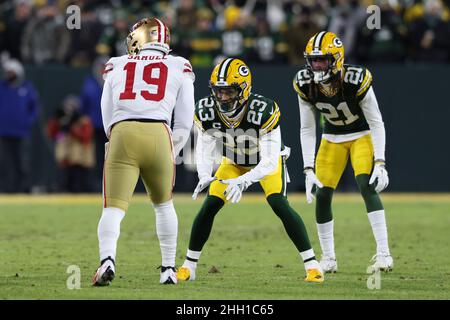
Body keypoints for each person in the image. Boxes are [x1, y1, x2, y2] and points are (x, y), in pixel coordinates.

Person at [177, 58, 324, 283]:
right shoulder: (206, 110)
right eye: (219, 92)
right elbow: (205, 146)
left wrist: (243, 182)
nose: (223, 97)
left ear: (244, 90)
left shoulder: (263, 110)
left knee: (279, 204)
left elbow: (269, 161)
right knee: (210, 204)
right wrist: (204, 175)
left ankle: (312, 265)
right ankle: (189, 266)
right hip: (233, 162)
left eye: (229, 92)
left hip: (265, 163)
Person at [92, 17, 195, 286]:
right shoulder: (179, 65)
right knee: (164, 205)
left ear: (138, 38)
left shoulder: (117, 64)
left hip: (122, 132)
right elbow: (185, 120)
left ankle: (107, 261)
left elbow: (106, 115)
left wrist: (115, 140)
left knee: (112, 208)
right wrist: (172, 151)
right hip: (159, 134)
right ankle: (168, 269)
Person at [293, 31, 392, 274]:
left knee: (365, 185)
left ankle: (384, 254)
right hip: (332, 138)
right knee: (322, 194)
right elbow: (307, 127)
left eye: (322, 59)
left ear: (336, 59)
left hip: (361, 135)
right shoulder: (305, 83)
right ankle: (328, 258)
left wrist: (380, 161)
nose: (317, 65)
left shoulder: (355, 78)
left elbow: (377, 122)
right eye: (313, 60)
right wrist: (307, 168)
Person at [0, 57, 39, 193]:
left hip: (21, 132)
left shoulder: (27, 88)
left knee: (22, 163)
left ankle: (23, 189)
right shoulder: (2, 88)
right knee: (4, 163)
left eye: (11, 72)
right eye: (7, 72)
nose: (8, 75)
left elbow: (34, 108)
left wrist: (26, 121)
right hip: (3, 132)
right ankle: (5, 189)